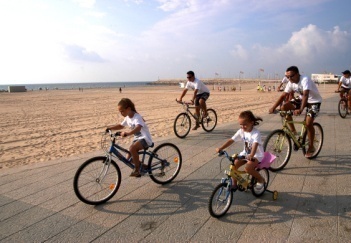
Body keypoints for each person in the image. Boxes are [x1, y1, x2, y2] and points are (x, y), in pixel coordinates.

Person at [269, 66, 322, 158]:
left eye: (291, 76)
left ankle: (311, 146)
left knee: (309, 123)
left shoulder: (305, 79)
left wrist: (300, 110)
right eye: (287, 77)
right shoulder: (290, 83)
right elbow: (283, 96)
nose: (289, 79)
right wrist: (273, 107)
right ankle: (293, 131)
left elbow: (306, 94)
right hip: (302, 99)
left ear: (297, 74)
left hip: (314, 101)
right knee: (284, 107)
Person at [215, 110, 266, 191]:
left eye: (245, 125)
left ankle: (261, 179)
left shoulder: (256, 133)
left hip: (256, 155)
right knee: (234, 164)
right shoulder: (241, 131)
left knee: (248, 168)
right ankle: (235, 184)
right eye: (241, 125)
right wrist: (221, 148)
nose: (242, 127)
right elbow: (231, 140)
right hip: (245, 154)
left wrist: (251, 155)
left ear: (252, 123)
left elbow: (255, 144)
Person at [106, 98, 153, 177]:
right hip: (137, 139)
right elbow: (121, 125)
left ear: (128, 109)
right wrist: (110, 128)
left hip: (145, 139)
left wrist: (128, 133)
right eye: (120, 112)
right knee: (129, 159)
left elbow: (138, 127)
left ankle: (137, 170)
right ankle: (144, 167)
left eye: (122, 111)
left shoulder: (137, 117)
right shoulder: (127, 118)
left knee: (132, 148)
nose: (121, 113)